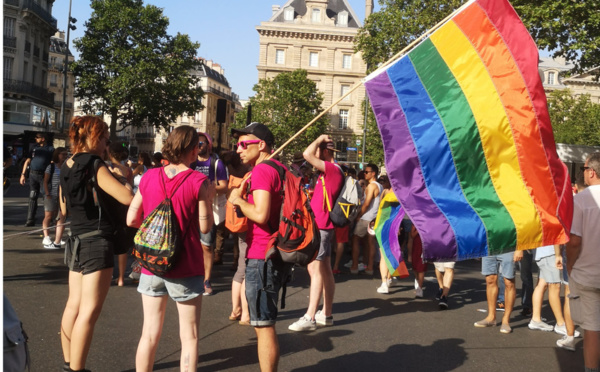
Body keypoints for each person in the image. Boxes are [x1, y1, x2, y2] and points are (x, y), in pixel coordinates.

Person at [126, 125, 213, 372]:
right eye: (198, 145)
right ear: (192, 149)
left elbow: (131, 220)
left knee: (149, 333)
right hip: (185, 265)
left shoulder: (150, 176)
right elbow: (205, 228)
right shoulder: (200, 181)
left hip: (152, 264)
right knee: (190, 337)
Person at [59, 116, 134, 372]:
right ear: (94, 137)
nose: (106, 143)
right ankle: (77, 369)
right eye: (104, 138)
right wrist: (122, 177)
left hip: (75, 239)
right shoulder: (95, 164)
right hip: (96, 241)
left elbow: (64, 206)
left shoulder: (66, 164)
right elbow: (126, 198)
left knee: (73, 305)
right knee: (89, 312)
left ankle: (68, 362)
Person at [228, 122, 285, 371]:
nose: (238, 149)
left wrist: (238, 199)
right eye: (237, 144)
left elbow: (261, 214)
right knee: (264, 321)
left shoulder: (262, 171)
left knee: (263, 325)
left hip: (261, 254)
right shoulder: (279, 168)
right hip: (273, 251)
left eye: (243, 143)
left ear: (261, 145)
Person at [288, 136, 343, 332]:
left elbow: (306, 154)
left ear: (324, 152)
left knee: (316, 269)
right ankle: (326, 314)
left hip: (322, 226)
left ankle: (310, 316)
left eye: (318, 151)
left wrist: (319, 138)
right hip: (322, 225)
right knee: (325, 269)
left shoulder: (332, 169)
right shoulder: (325, 173)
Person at [566, 152, 600, 370]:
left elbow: (575, 240)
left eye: (585, 169)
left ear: (592, 172)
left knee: (592, 328)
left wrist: (570, 265)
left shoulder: (580, 200)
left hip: (587, 274)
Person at [191, 132, 228, 295]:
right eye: (196, 143)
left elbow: (224, 186)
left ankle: (206, 280)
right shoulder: (190, 162)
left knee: (206, 246)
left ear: (209, 144)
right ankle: (194, 276)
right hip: (191, 210)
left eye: (202, 143)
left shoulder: (216, 163)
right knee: (193, 246)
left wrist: (208, 189)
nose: (199, 146)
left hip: (209, 209)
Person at [107, 142, 135, 287]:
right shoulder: (128, 170)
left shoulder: (107, 169)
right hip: (124, 207)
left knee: (109, 242)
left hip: (111, 206)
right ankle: (121, 279)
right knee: (122, 246)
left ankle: (109, 273)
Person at [474, 250, 522, 334]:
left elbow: (521, 235)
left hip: (509, 246)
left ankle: (506, 320)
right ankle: (491, 318)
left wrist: (519, 249)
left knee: (509, 282)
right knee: (490, 280)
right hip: (490, 245)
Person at [350, 164, 382, 275]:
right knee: (370, 242)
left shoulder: (372, 186)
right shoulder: (379, 186)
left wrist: (359, 215)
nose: (365, 174)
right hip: (374, 217)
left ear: (373, 173)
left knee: (356, 239)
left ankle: (354, 266)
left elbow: (367, 203)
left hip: (366, 217)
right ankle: (369, 267)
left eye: (367, 172)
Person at [528, 245, 566, 332]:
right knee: (555, 286)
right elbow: (554, 235)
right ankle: (560, 324)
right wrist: (558, 254)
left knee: (542, 284)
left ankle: (535, 319)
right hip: (549, 253)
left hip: (543, 252)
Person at [20, 132, 54, 227]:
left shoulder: (50, 149)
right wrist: (23, 174)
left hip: (44, 175)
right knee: (32, 195)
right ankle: (30, 219)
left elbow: (53, 162)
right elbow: (27, 161)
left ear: (43, 138)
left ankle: (48, 218)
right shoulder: (34, 148)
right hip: (33, 174)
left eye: (37, 137)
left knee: (46, 196)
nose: (36, 139)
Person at [42, 147, 68, 249]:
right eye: (63, 154)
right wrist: (47, 193)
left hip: (62, 196)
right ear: (57, 155)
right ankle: (46, 236)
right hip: (51, 194)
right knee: (49, 216)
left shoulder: (66, 166)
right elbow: (45, 181)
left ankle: (58, 237)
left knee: (60, 217)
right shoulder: (51, 167)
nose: (65, 156)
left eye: (66, 154)